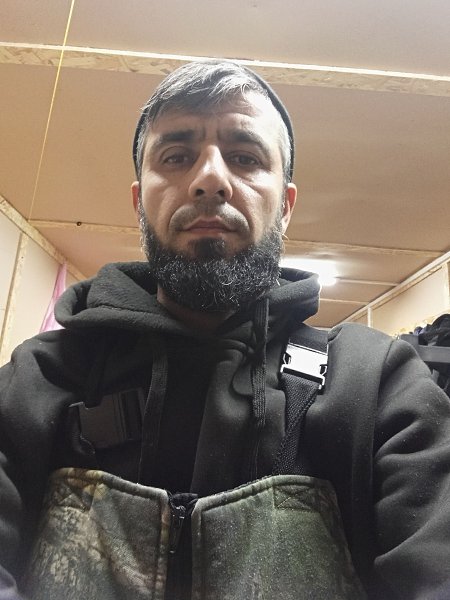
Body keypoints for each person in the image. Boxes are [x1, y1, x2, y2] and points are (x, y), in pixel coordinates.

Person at [1, 60, 450, 600]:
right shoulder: (37, 379)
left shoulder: (378, 386)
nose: (210, 178)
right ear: (139, 200)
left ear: (285, 206)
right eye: (176, 156)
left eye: (245, 157)